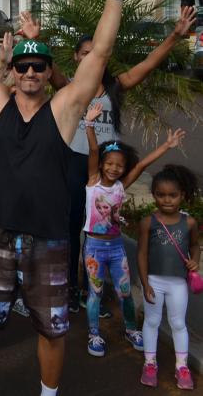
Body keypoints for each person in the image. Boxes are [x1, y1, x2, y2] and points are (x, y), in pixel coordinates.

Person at [0, 0, 133, 396]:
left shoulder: (64, 109)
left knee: (52, 330)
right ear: (13, 71)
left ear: (49, 70)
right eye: (23, 65)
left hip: (51, 239)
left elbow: (99, 56)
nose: (31, 72)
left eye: (39, 65)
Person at [43, 5, 197, 312]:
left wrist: (175, 36)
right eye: (83, 53)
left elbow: (150, 63)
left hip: (107, 172)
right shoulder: (71, 88)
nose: (89, 57)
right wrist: (38, 40)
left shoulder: (117, 85)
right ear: (76, 57)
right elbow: (52, 72)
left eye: (94, 52)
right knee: (74, 226)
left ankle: (92, 290)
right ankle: (72, 289)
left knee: (99, 233)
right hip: (75, 164)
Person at [81, 102, 185, 358]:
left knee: (125, 292)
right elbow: (94, 150)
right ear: (102, 164)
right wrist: (90, 124)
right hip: (94, 247)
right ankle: (93, 333)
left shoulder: (120, 186)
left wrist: (166, 146)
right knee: (95, 293)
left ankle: (130, 329)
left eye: (120, 165)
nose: (115, 168)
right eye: (110, 163)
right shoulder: (93, 182)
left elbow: (141, 165)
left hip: (116, 247)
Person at [137, 165, 200, 391]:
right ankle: (150, 363)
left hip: (178, 284)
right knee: (152, 321)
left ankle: (181, 366)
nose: (167, 200)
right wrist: (144, 284)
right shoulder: (148, 222)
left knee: (178, 324)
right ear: (154, 194)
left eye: (172, 195)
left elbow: (195, 246)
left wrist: (195, 260)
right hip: (154, 282)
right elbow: (142, 254)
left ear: (182, 195)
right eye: (161, 195)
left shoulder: (189, 222)